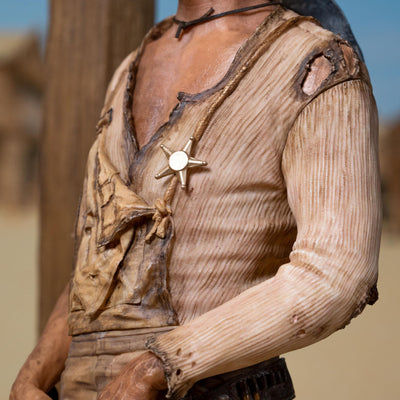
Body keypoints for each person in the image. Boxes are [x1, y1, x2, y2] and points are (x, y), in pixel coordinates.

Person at [10, 1, 381, 399]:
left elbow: (335, 273)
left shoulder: (314, 63)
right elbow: (100, 263)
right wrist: (34, 374)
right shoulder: (131, 66)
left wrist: (156, 369)